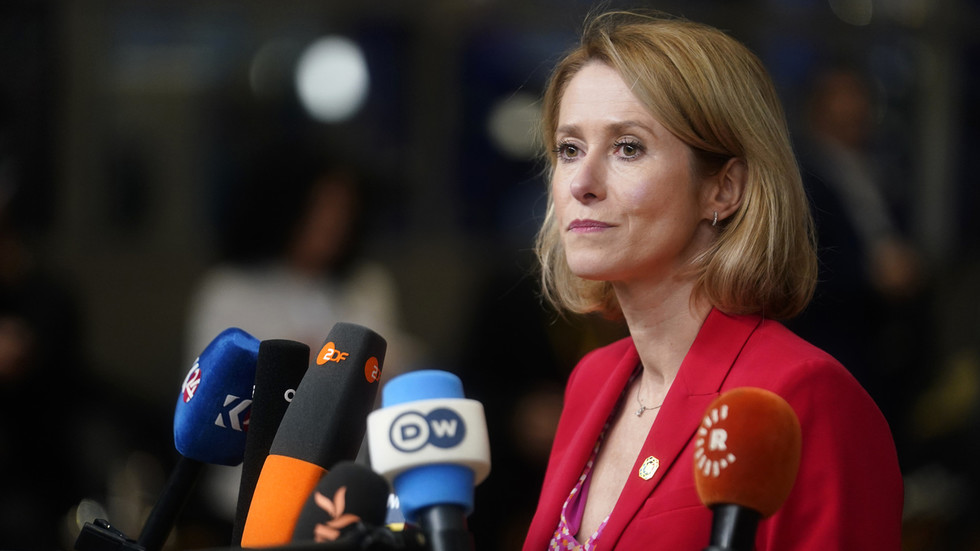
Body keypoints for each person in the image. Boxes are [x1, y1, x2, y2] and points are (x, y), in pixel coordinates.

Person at [522, 10, 903, 550]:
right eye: (569, 149)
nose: (581, 182)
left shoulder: (804, 396)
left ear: (723, 189)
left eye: (628, 147)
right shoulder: (592, 379)